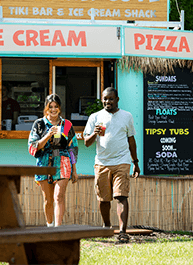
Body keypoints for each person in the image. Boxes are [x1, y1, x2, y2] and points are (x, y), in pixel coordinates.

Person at [83, 87, 140, 243]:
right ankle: (107, 227)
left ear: (117, 99)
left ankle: (122, 232)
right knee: (103, 199)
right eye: (105, 99)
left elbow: (131, 140)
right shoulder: (95, 117)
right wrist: (94, 133)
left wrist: (135, 162)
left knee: (121, 196)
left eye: (111, 99)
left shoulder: (126, 116)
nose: (107, 101)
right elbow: (86, 143)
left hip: (122, 161)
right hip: (102, 163)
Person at [28, 93, 78, 227]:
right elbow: (33, 146)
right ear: (46, 108)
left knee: (59, 197)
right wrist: (48, 135)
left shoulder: (66, 124)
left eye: (56, 106)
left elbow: (72, 147)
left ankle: (58, 229)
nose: (53, 109)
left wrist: (74, 168)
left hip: (63, 161)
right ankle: (50, 226)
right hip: (44, 162)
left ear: (60, 108)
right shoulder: (39, 124)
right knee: (48, 200)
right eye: (51, 107)